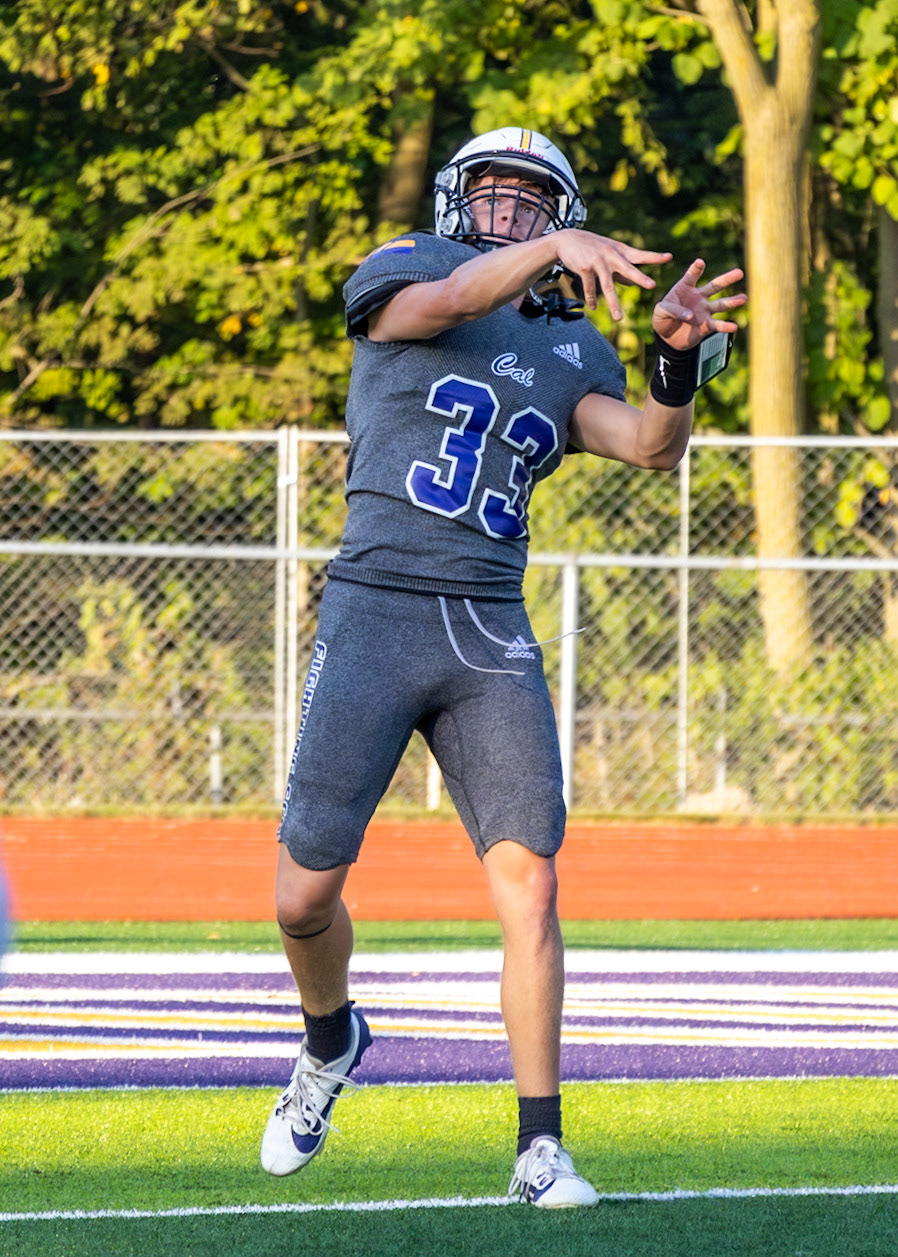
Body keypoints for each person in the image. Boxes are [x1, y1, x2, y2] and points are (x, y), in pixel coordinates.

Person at [261, 126, 745, 1206]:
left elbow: (648, 445)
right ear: (455, 201)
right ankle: (330, 1039)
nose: (514, 215)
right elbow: (444, 305)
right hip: (375, 610)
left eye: (538, 204)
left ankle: (539, 1148)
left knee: (529, 883)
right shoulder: (406, 270)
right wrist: (552, 251)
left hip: (484, 626)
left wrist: (672, 355)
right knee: (302, 897)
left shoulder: (569, 345)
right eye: (498, 197)